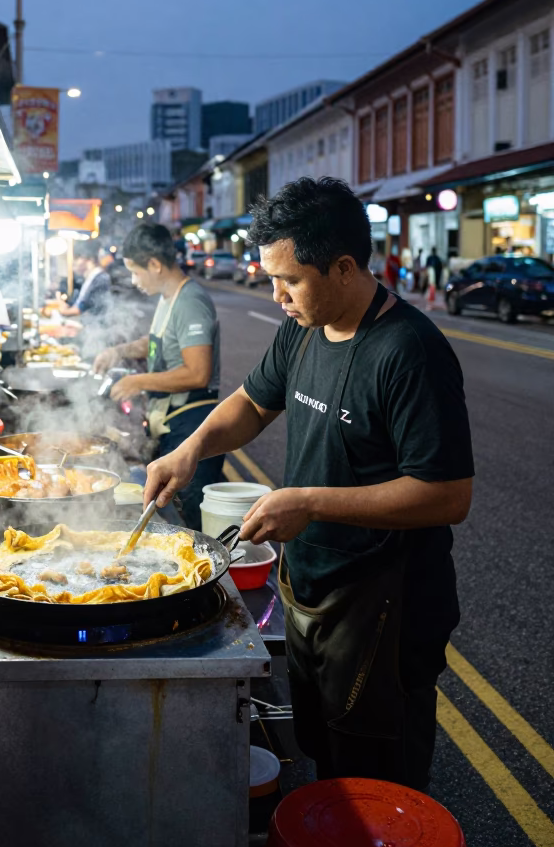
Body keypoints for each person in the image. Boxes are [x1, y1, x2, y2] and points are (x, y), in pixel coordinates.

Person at [143, 179, 473, 789]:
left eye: (290, 280)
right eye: (271, 278)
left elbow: (448, 494)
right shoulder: (302, 326)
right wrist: (191, 448)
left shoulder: (409, 351)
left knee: (377, 777)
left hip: (384, 604)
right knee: (324, 748)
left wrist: (311, 502)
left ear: (344, 267)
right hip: (309, 586)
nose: (276, 296)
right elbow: (251, 402)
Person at [93, 223, 223, 530]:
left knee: (193, 522)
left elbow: (198, 372)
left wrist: (136, 382)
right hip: (171, 422)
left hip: (191, 423)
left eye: (136, 272)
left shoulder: (190, 301)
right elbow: (155, 342)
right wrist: (119, 351)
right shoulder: (168, 298)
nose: (135, 281)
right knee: (175, 511)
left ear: (154, 264)